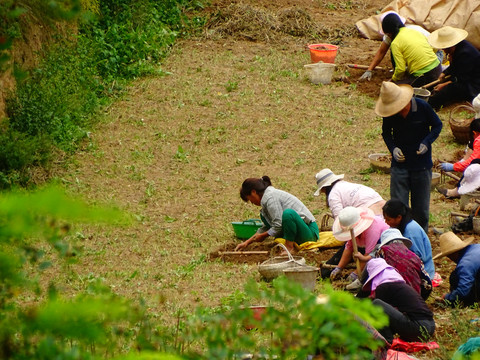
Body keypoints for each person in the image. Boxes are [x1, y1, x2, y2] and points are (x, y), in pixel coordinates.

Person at [376, 81, 442, 232]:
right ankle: (400, 238)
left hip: (421, 166)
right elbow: (386, 133)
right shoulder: (390, 114)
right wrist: (393, 149)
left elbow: (437, 125)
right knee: (399, 207)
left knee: (421, 209)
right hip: (400, 166)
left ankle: (420, 236)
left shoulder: (422, 107)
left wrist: (427, 142)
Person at [359, 258, 435, 343]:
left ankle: (387, 341)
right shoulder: (397, 285)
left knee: (376, 304)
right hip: (430, 326)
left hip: (419, 328)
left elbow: (380, 317)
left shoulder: (384, 287)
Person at [234, 176, 319, 253]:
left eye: (250, 200)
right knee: (264, 216)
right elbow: (265, 228)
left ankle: (289, 248)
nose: (252, 203)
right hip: (298, 231)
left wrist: (263, 236)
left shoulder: (271, 198)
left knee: (288, 214)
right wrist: (246, 243)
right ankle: (289, 243)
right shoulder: (266, 201)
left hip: (309, 233)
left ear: (253, 192)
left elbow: (278, 225)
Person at [360, 11, 443, 83]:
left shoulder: (396, 43)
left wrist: (393, 80)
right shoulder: (412, 31)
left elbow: (400, 69)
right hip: (437, 68)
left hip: (425, 74)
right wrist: (369, 70)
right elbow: (382, 51)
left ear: (389, 33)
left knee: (397, 89)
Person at [329, 206, 389, 282]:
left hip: (381, 248)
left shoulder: (372, 230)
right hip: (367, 248)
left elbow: (369, 255)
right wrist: (339, 267)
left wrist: (356, 273)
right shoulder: (353, 231)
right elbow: (349, 247)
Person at [427, 26, 480, 110]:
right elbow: (455, 67)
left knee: (448, 90)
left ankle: (430, 106)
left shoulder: (465, 54)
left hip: (473, 84)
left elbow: (461, 79)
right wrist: (444, 73)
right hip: (465, 76)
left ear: (450, 46)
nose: (443, 50)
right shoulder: (457, 49)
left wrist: (444, 85)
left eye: (444, 47)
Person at [382, 199, 435, 278]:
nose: (386, 222)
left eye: (388, 219)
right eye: (385, 219)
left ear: (399, 217)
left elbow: (419, 258)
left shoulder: (411, 231)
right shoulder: (400, 226)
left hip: (422, 273)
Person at [313, 168, 386, 218]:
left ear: (324, 188)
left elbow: (339, 219)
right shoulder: (345, 184)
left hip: (368, 212)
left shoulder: (333, 195)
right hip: (382, 204)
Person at [433, 232, 480, 307]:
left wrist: (448, 297)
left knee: (454, 277)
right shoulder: (477, 247)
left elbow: (463, 291)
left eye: (449, 256)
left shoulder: (465, 264)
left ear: (453, 254)